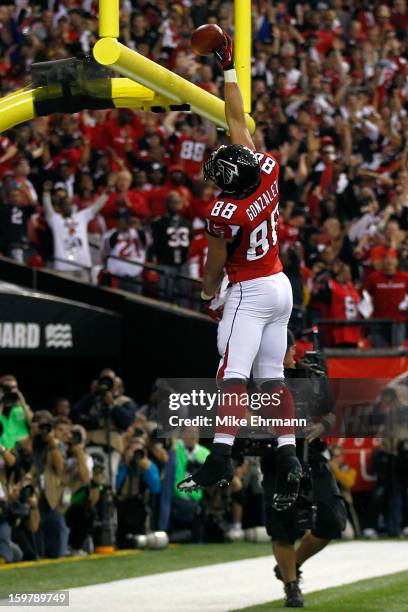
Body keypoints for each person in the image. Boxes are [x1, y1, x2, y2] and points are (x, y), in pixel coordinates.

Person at [177, 31, 301, 513]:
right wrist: (228, 65)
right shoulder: (265, 168)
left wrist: (210, 299)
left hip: (249, 290)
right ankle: (288, 454)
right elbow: (235, 118)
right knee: (272, 377)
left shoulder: (225, 213)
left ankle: (221, 455)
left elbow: (212, 269)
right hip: (279, 285)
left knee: (232, 372)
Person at [261, 331, 347, 608]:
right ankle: (291, 586)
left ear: (292, 350)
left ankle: (293, 564)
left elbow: (333, 414)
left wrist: (321, 426)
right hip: (277, 460)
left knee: (333, 519)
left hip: (312, 456)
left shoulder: (311, 376)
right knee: (281, 528)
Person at [42, 182, 108, 282]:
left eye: (70, 204)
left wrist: (106, 194)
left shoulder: (81, 217)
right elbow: (48, 209)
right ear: (60, 208)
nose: (69, 206)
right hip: (63, 269)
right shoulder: (56, 220)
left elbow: (96, 207)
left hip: (83, 268)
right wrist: (46, 193)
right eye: (65, 204)